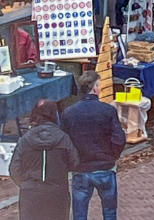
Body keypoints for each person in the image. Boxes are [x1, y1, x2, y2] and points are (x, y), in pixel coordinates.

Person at [62, 71, 125, 220]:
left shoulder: (68, 113)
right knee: (109, 212)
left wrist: (72, 161)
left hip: (80, 169)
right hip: (104, 167)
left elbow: (65, 142)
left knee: (79, 214)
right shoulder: (108, 110)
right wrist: (111, 156)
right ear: (95, 88)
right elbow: (119, 139)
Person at [10, 100, 79, 220]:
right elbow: (74, 162)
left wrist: (26, 184)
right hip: (57, 192)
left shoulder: (25, 140)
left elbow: (14, 168)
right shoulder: (63, 138)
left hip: (30, 193)